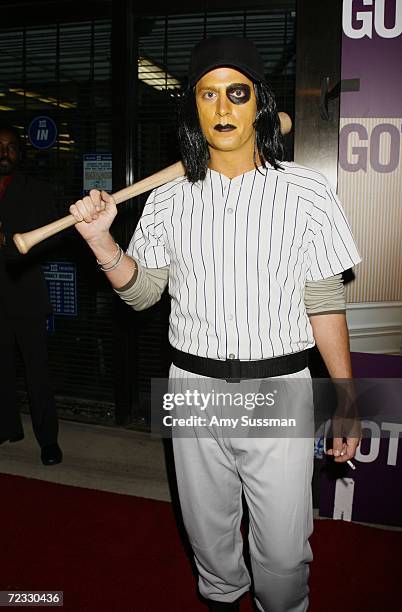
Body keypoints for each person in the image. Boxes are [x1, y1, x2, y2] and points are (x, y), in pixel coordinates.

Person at [69, 37, 361, 612]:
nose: (224, 108)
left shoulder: (306, 192)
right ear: (194, 108)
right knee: (211, 548)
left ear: (258, 104)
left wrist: (345, 396)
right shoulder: (166, 198)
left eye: (237, 93)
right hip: (192, 387)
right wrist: (101, 239)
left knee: (281, 558)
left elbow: (324, 299)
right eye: (209, 94)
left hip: (279, 386)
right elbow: (143, 293)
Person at [0, 124, 62, 466]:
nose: (4, 152)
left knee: (37, 372)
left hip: (25, 296)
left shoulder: (35, 190)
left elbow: (51, 239)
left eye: (10, 147)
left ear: (19, 154)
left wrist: (8, 241)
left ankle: (48, 441)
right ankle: (8, 427)